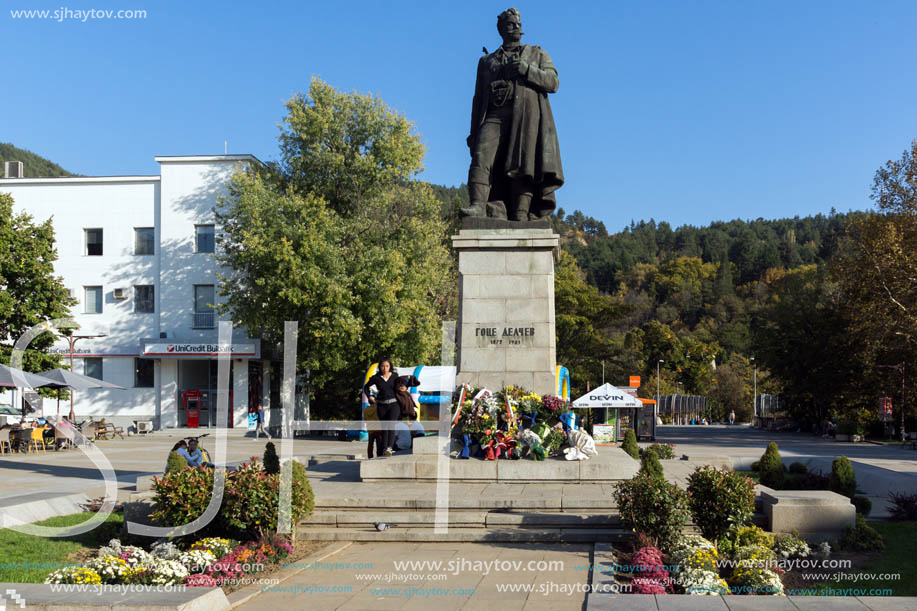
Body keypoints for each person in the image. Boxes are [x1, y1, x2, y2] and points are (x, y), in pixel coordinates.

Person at [460, 7, 563, 221]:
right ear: (501, 29)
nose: (516, 27)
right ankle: (478, 206)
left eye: (518, 24)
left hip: (526, 118)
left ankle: (520, 213)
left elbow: (553, 83)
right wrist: (473, 132)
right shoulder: (487, 61)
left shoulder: (537, 54)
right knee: (481, 155)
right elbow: (477, 99)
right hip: (494, 115)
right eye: (511, 23)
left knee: (524, 162)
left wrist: (526, 69)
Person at [363, 358, 400, 457]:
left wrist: (405, 387)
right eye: (383, 366)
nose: (385, 368)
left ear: (390, 367)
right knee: (384, 427)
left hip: (394, 405)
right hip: (382, 406)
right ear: (380, 367)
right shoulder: (376, 378)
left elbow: (401, 386)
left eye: (387, 366)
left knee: (391, 425)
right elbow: (366, 388)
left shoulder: (395, 376)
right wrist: (370, 396)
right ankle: (385, 448)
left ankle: (389, 448)